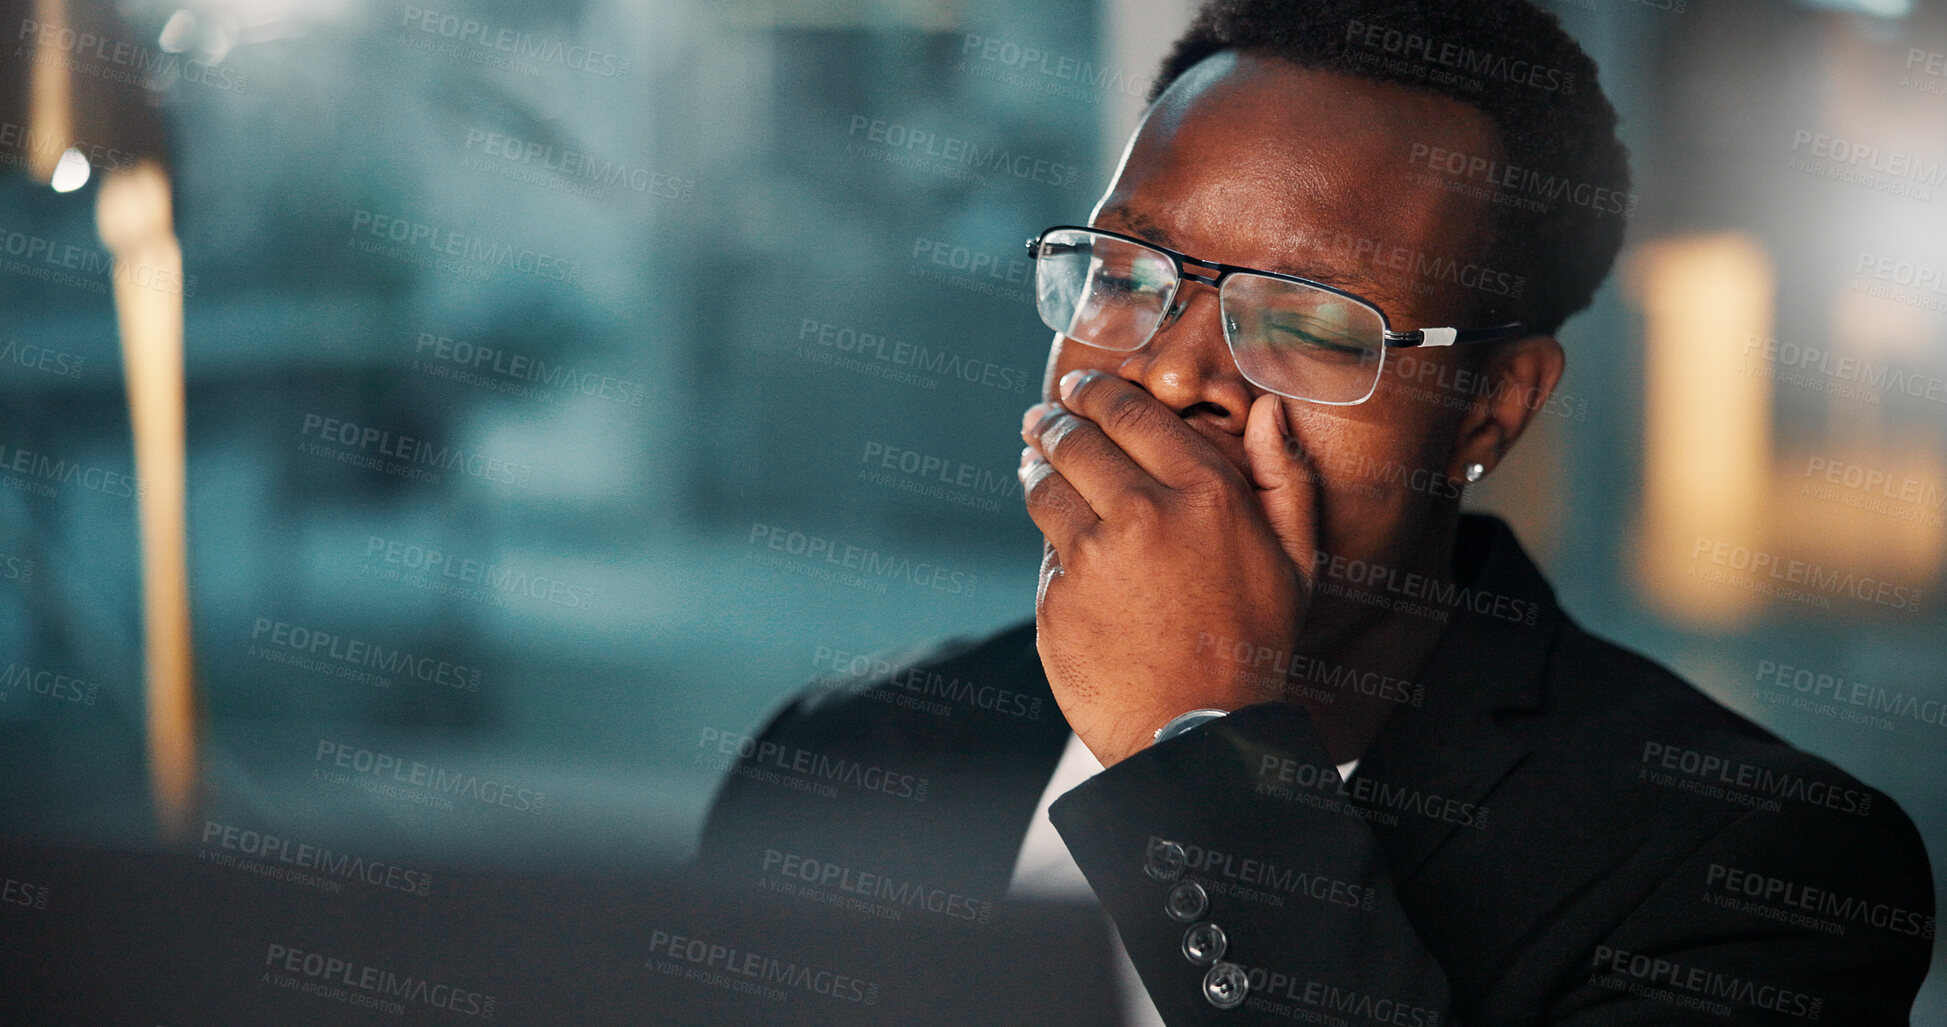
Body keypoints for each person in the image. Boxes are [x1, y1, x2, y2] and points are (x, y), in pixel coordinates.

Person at [698, 0, 1936, 1022]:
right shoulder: (854, 752)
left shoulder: (1761, 869)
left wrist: (1199, 746)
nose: (1173, 373)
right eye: (1128, 273)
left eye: (1306, 322)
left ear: (1490, 409)